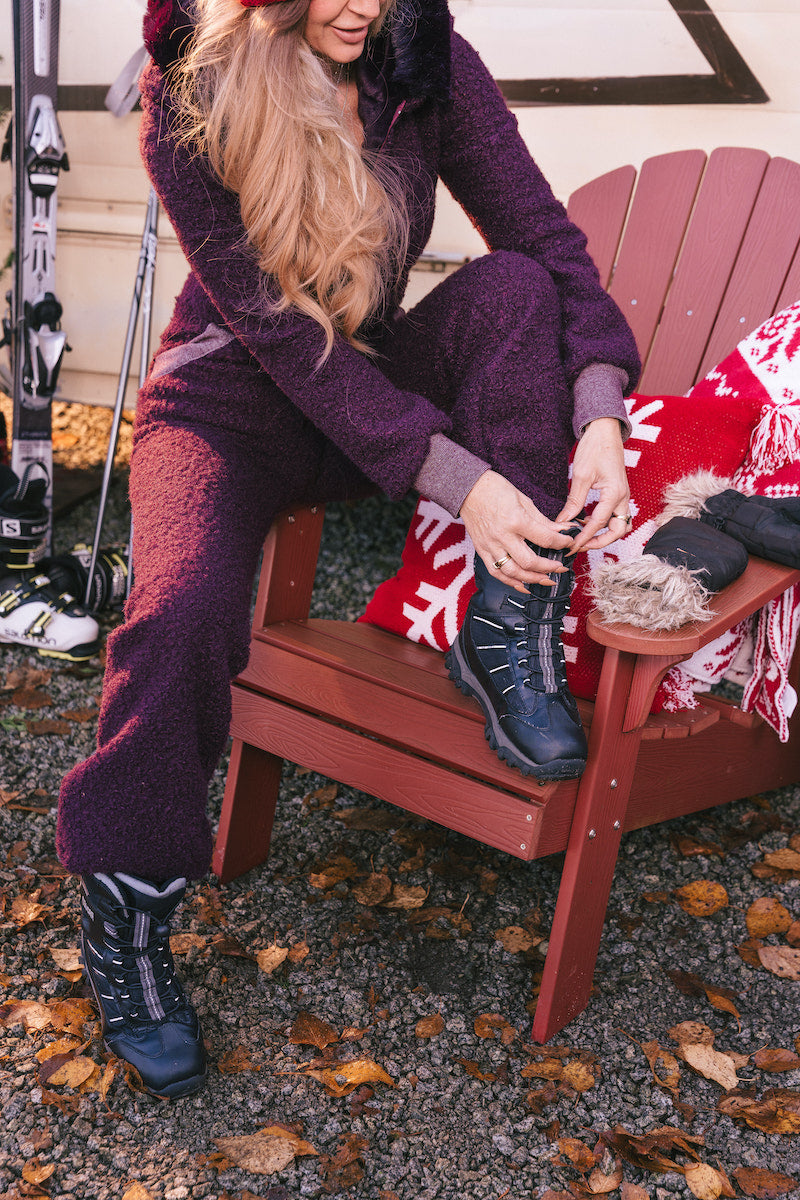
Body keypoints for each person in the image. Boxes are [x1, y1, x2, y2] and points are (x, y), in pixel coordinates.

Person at [57, 0, 640, 1098]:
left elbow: (544, 247)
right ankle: (125, 903)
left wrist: (599, 408)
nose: (362, 6)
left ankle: (506, 620)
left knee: (511, 292)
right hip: (229, 398)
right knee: (179, 614)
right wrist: (462, 487)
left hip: (368, 383)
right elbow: (282, 338)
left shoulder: (424, 66)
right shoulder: (190, 92)